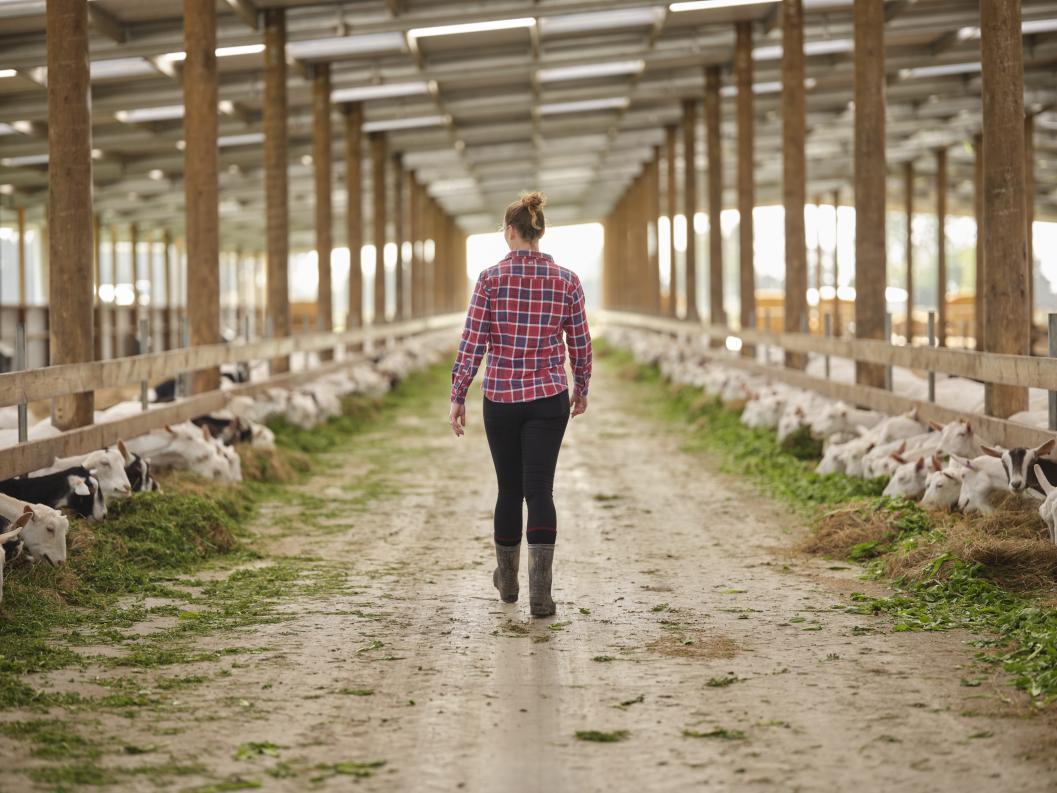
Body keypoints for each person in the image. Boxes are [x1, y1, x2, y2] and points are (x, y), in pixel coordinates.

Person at [448, 192, 592, 617]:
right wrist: (580, 386)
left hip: (502, 398)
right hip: (549, 397)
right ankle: (541, 595)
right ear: (540, 231)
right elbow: (580, 343)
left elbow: (472, 340)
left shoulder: (490, 279)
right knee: (540, 490)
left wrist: (458, 394)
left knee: (509, 490)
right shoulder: (567, 280)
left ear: (510, 232)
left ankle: (508, 581)